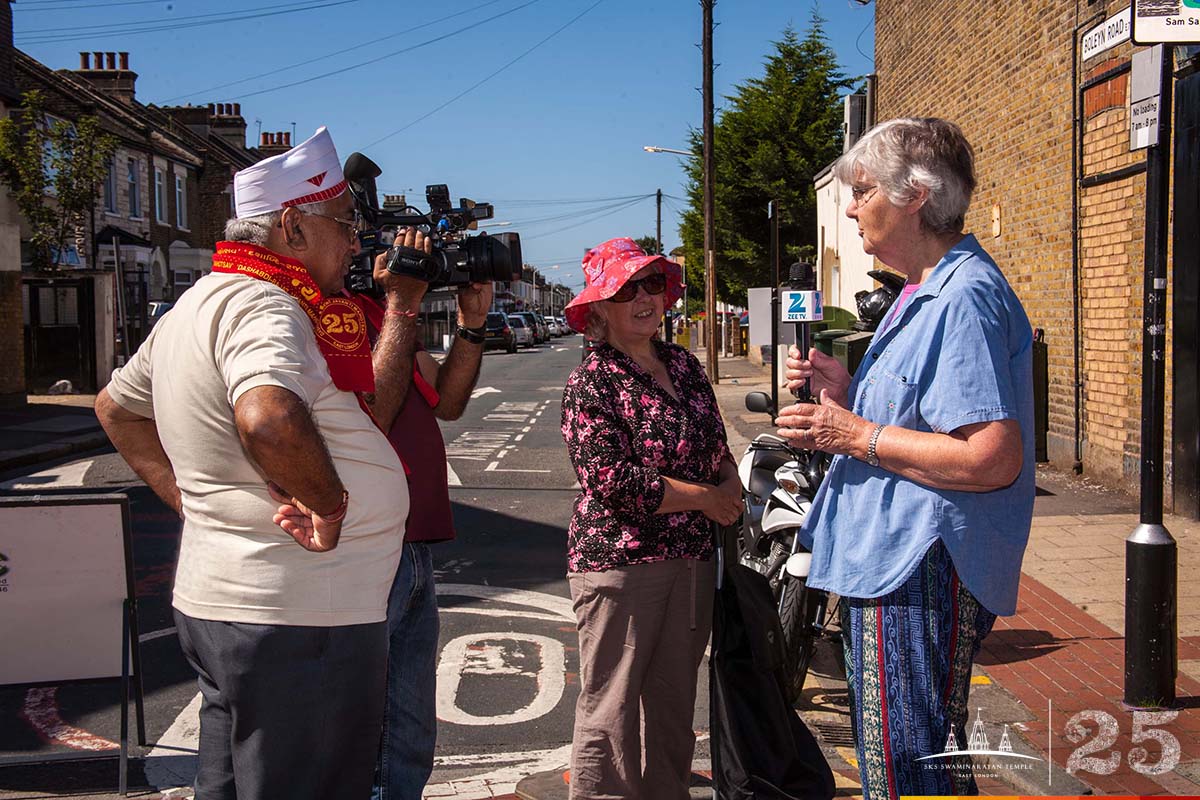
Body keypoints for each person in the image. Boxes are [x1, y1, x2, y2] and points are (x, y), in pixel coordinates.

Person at [95, 127, 407, 800]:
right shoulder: (267, 304)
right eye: (344, 224)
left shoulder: (199, 301)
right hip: (298, 615)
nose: (356, 243)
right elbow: (268, 418)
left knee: (234, 785)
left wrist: (194, 503)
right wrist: (331, 506)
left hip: (234, 605)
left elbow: (116, 408)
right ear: (292, 227)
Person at [776, 117, 1034, 798]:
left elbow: (990, 457)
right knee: (908, 758)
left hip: (919, 569)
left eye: (863, 191)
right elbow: (926, 416)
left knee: (909, 766)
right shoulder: (923, 288)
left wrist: (852, 433)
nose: (852, 208)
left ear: (916, 194)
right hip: (899, 561)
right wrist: (847, 395)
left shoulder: (962, 297)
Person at [559, 237, 742, 800]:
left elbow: (715, 445)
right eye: (625, 289)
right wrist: (707, 499)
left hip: (691, 560)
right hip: (622, 564)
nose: (643, 298)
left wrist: (730, 483)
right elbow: (613, 481)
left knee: (673, 705)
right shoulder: (592, 381)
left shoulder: (684, 365)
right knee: (611, 706)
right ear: (598, 308)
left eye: (652, 284)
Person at [348, 228, 493, 800]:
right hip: (369, 545)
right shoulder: (334, 317)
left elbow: (448, 401)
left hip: (414, 546)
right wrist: (403, 302)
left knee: (407, 727)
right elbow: (374, 415)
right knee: (368, 718)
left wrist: (472, 324)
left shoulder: (376, 314)